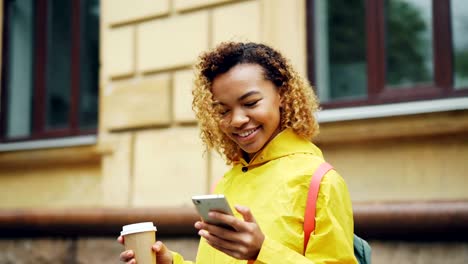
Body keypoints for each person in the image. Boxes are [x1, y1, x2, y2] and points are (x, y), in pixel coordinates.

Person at [118, 42, 357, 264]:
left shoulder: (321, 181)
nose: (237, 120)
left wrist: (262, 250)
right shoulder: (227, 182)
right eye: (223, 111)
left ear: (282, 94)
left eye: (251, 103)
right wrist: (170, 262)